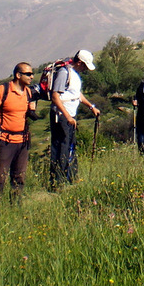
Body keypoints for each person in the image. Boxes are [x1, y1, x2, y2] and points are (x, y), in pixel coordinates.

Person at [0, 62, 37, 216]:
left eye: (32, 73)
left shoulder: (28, 92)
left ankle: (16, 208)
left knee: (19, 177)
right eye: (28, 74)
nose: (31, 76)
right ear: (18, 75)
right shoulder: (3, 90)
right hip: (5, 141)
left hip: (22, 141)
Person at [49, 50, 100, 189]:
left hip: (70, 116)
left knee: (70, 145)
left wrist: (91, 107)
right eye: (84, 66)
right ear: (79, 62)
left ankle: (70, 177)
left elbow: (77, 94)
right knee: (61, 147)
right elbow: (55, 97)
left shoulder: (74, 75)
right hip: (61, 116)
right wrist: (67, 117)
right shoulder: (64, 73)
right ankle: (57, 182)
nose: (85, 69)